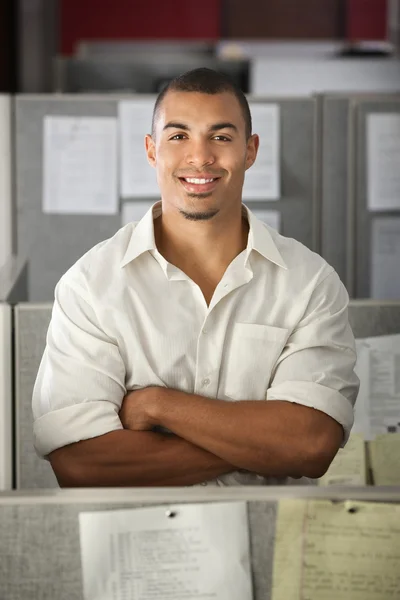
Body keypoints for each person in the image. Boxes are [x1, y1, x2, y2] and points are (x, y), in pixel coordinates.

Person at [32, 68, 359, 487]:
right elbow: (81, 462)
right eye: (178, 136)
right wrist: (264, 449)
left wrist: (156, 405)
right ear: (152, 151)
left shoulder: (309, 282)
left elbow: (310, 444)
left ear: (250, 150)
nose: (200, 157)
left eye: (221, 137)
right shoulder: (91, 285)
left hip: (272, 545)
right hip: (139, 545)